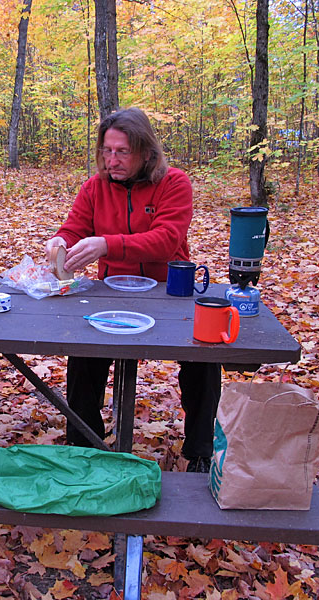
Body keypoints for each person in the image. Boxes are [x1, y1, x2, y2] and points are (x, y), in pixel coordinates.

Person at [45, 107, 220, 473]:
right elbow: (74, 227)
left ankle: (200, 452)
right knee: (83, 357)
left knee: (203, 358)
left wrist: (108, 245)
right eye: (107, 151)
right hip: (110, 292)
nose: (112, 160)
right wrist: (60, 240)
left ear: (146, 151)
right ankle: (84, 443)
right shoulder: (95, 187)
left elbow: (166, 240)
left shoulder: (174, 182)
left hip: (169, 290)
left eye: (122, 151)